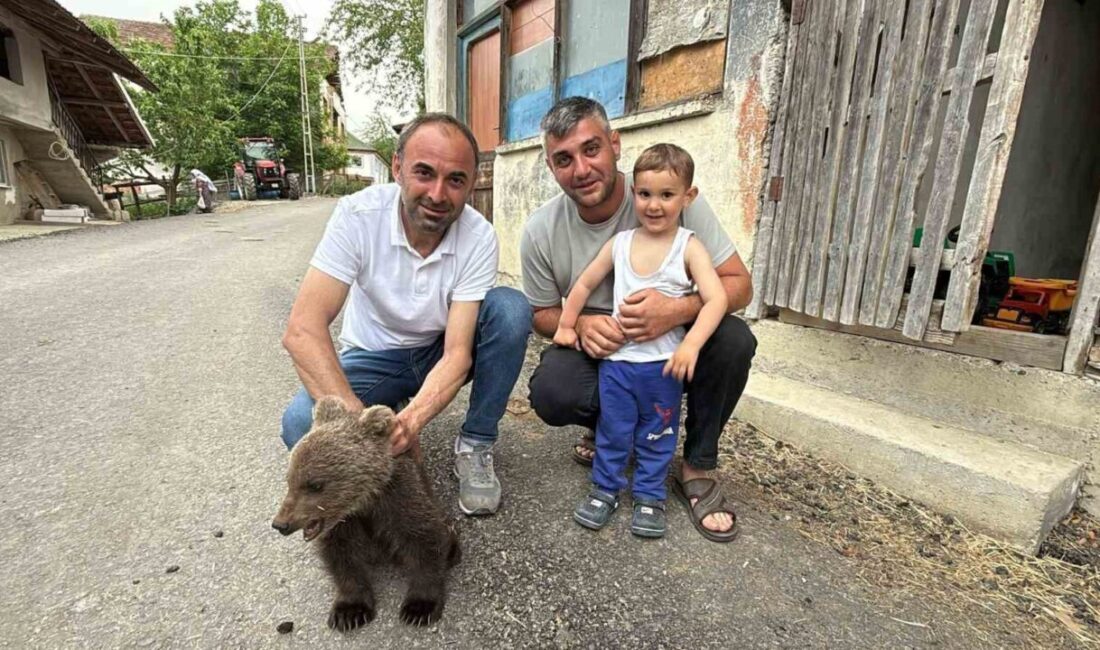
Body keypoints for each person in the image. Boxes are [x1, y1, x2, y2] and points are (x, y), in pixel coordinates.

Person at [521, 97, 756, 543]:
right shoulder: (541, 229)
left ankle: (697, 466)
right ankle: (611, 432)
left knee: (733, 340)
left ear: (615, 145)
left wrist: (677, 310)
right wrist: (581, 326)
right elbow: (541, 313)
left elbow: (739, 285)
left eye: (591, 149)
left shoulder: (667, 191)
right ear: (551, 168)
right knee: (553, 388)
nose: (581, 168)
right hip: (607, 352)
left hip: (672, 346)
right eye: (564, 159)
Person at [280, 113, 532, 516]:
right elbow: (302, 331)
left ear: (471, 184)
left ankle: (476, 443)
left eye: (455, 180)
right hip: (375, 355)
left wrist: (411, 423)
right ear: (397, 168)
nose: (437, 194)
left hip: (438, 348)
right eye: (424, 172)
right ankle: (385, 406)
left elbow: (457, 354)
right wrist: (362, 430)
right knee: (298, 424)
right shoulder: (358, 216)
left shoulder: (478, 236)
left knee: (511, 309)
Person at [554, 144, 727, 538]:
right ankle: (605, 489)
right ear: (634, 193)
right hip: (617, 364)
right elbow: (584, 283)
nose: (654, 205)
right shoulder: (621, 243)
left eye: (667, 195)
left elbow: (717, 298)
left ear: (688, 197)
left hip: (663, 367)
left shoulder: (689, 246)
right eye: (645, 193)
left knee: (657, 433)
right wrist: (567, 324)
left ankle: (650, 495)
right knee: (613, 429)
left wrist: (691, 345)